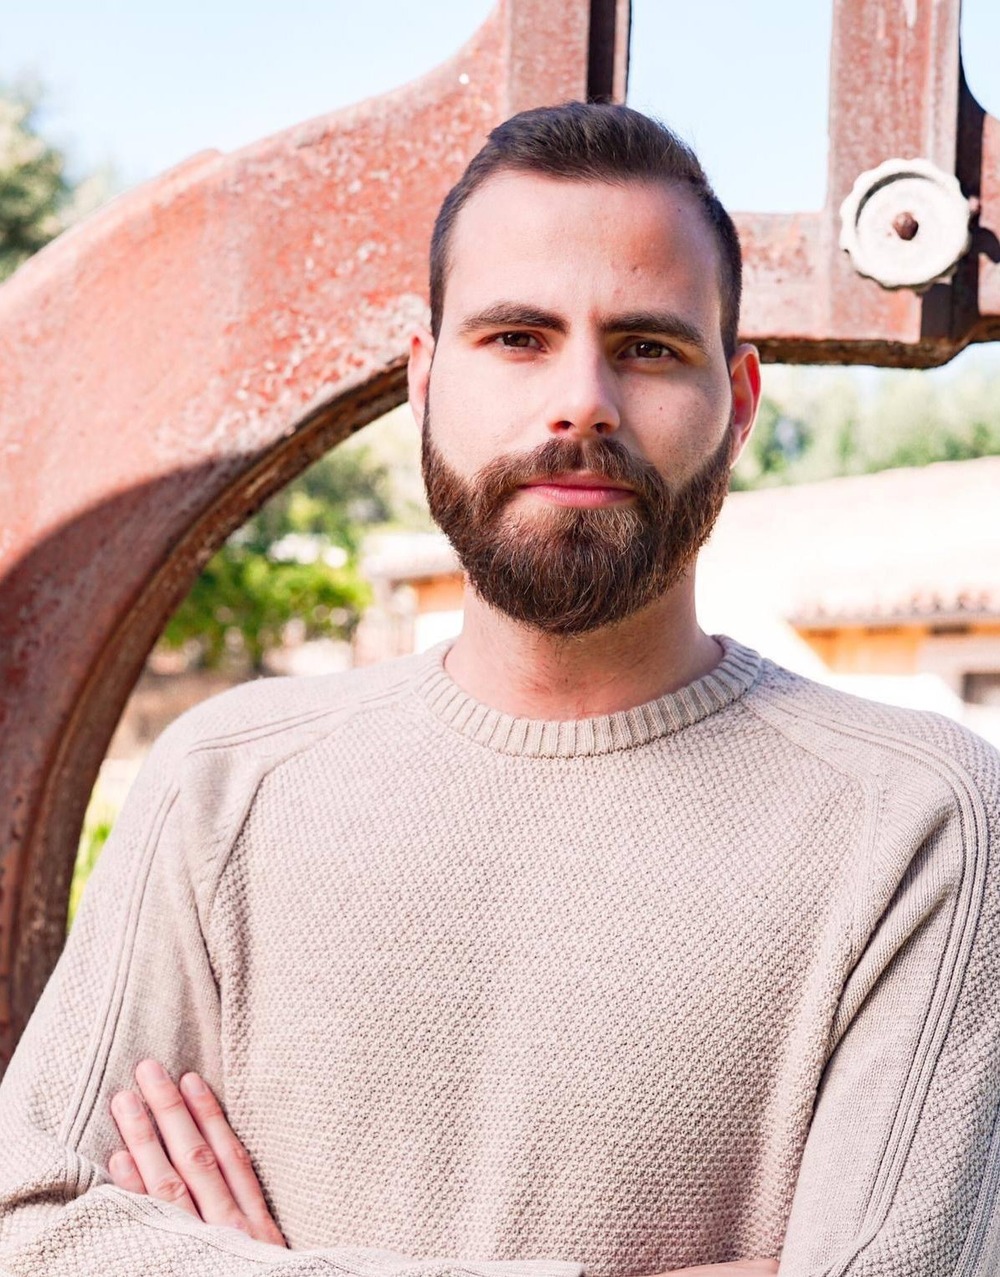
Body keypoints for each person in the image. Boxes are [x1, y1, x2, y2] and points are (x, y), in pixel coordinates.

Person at [0, 101, 997, 1277]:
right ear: (423, 381)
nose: (580, 401)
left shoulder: (924, 817)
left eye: (647, 346)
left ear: (739, 403)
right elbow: (32, 1229)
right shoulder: (223, 786)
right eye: (517, 337)